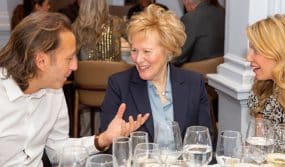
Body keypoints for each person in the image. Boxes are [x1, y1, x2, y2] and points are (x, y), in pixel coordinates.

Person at [0, 12, 149, 166]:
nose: (75, 66)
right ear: (41, 61)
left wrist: (102, 139)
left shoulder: (53, 90)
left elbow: (58, 150)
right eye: (69, 58)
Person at [100, 4, 212, 144]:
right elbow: (108, 145)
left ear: (169, 50)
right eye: (134, 50)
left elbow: (206, 141)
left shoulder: (194, 84)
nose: (138, 59)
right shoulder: (119, 86)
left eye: (147, 51)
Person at [246, 14, 285, 152]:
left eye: (256, 50)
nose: (248, 57)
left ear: (280, 53)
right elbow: (259, 150)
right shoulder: (262, 89)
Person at [172, 0, 225, 67]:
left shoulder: (191, 18)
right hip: (220, 74)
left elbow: (176, 58)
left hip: (194, 75)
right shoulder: (224, 13)